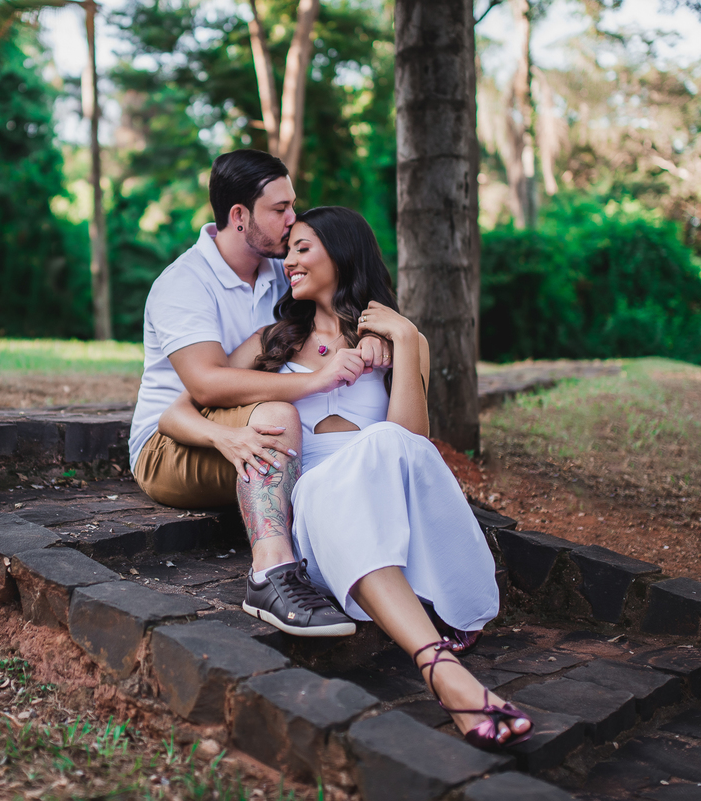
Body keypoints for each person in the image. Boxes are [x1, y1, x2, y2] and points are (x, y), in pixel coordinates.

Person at [157, 206, 533, 750]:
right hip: (317, 505)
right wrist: (225, 438)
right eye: (288, 249)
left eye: (303, 248)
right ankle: (444, 671)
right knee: (350, 474)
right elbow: (175, 413)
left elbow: (410, 444)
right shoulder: (271, 342)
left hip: (388, 502)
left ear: (342, 252)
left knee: (383, 442)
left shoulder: (402, 342)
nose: (289, 261)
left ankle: (440, 671)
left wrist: (404, 340)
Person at [129, 150, 391, 638]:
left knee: (312, 432)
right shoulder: (184, 284)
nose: (293, 219)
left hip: (253, 425)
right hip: (176, 440)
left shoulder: (282, 272)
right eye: (280, 209)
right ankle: (270, 576)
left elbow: (334, 310)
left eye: (293, 205)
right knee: (279, 417)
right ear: (239, 216)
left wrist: (374, 336)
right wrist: (315, 381)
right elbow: (205, 386)